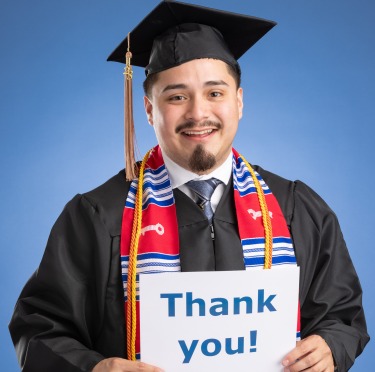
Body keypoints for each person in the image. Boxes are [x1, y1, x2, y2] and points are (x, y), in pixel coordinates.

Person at [9, 1, 369, 371]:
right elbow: (39, 330)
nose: (199, 113)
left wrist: (330, 346)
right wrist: (96, 369)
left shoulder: (296, 207)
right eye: (177, 96)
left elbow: (342, 316)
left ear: (239, 101)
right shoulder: (98, 216)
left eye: (215, 93)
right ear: (150, 110)